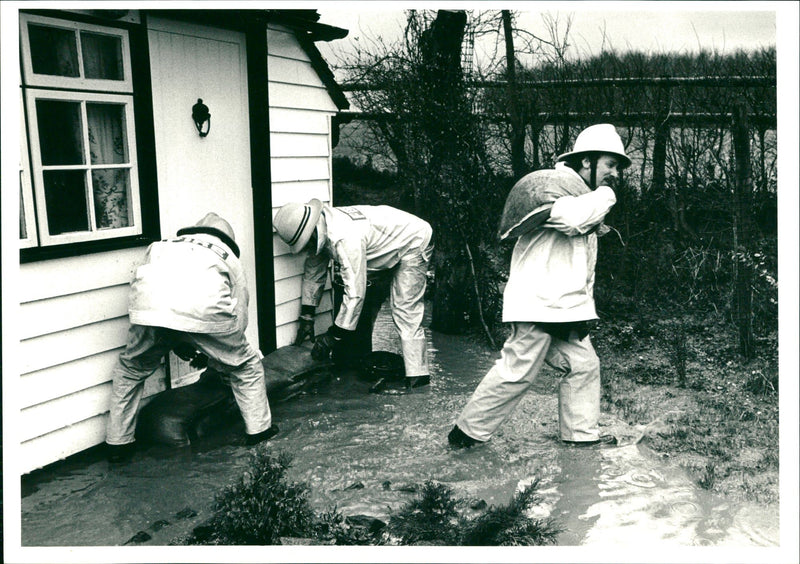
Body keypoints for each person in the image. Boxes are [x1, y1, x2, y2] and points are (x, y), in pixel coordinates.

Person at [448, 123, 630, 449]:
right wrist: (606, 194)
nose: (615, 173)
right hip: (538, 303)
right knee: (518, 372)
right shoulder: (553, 187)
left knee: (584, 366)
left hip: (563, 306)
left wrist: (581, 312)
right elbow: (573, 221)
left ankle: (580, 440)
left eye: (617, 168)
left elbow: (583, 265)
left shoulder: (582, 197)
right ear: (587, 161)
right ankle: (465, 436)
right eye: (611, 164)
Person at [105, 213, 277, 462]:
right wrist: (222, 357)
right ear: (227, 240)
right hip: (204, 311)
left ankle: (117, 445)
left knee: (130, 369)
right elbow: (237, 321)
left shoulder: (161, 246)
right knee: (246, 366)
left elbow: (161, 302)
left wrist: (178, 341)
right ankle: (260, 435)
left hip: (148, 308)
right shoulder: (228, 258)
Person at [273, 200, 433, 392]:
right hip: (381, 246)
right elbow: (314, 272)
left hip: (414, 241)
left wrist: (332, 336)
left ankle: (418, 379)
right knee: (368, 300)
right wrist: (307, 317)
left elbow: (355, 294)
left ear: (312, 233)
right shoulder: (320, 230)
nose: (307, 247)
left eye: (306, 243)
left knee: (404, 309)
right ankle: (360, 360)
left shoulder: (344, 238)